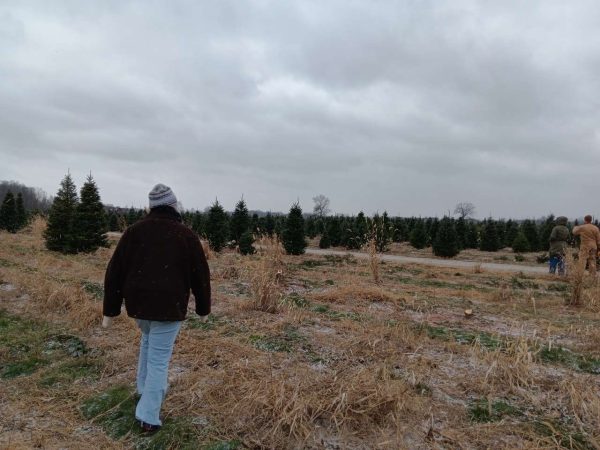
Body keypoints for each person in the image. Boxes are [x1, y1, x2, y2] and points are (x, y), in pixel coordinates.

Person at [103, 184, 211, 432]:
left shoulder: (134, 232)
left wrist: (110, 310)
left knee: (148, 342)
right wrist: (203, 309)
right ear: (173, 205)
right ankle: (148, 416)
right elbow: (200, 275)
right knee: (159, 360)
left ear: (151, 207)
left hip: (140, 306)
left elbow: (114, 272)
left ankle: (143, 389)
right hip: (168, 307)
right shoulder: (186, 235)